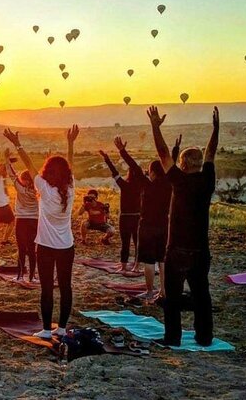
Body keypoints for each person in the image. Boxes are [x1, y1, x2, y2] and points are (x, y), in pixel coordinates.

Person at [148, 105, 219, 347]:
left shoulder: (178, 181)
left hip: (176, 249)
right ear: (199, 164)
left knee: (173, 298)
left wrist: (155, 127)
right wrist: (216, 129)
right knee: (202, 295)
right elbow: (211, 153)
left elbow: (162, 152)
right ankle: (205, 336)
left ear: (183, 164)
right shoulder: (207, 181)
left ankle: (173, 337)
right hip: (200, 249)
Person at [4, 125, 79, 339]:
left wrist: (17, 144)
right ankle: (62, 328)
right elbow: (70, 168)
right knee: (66, 287)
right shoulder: (70, 188)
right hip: (67, 246)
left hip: (46, 247)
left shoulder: (44, 189)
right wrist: (71, 142)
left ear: (48, 172)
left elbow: (28, 164)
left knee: (47, 288)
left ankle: (47, 329)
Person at [113, 135, 181, 299]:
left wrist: (122, 151)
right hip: (165, 225)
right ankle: (164, 291)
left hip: (147, 227)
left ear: (152, 173)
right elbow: (169, 163)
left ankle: (150, 292)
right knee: (162, 261)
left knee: (149, 262)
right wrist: (175, 151)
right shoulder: (169, 184)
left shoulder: (147, 185)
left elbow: (134, 167)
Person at [99, 137, 144, 272]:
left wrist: (107, 159)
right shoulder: (141, 186)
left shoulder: (124, 185)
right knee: (137, 244)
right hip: (137, 217)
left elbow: (114, 172)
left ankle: (124, 266)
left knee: (125, 243)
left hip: (124, 217)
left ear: (129, 174)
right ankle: (136, 266)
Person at [4, 147, 39, 282]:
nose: (20, 180)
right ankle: (32, 276)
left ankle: (19, 276)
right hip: (34, 221)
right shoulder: (38, 191)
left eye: (22, 179)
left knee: (22, 249)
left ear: (26, 180)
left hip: (21, 221)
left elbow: (11, 174)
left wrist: (7, 159)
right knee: (32, 249)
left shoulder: (20, 188)